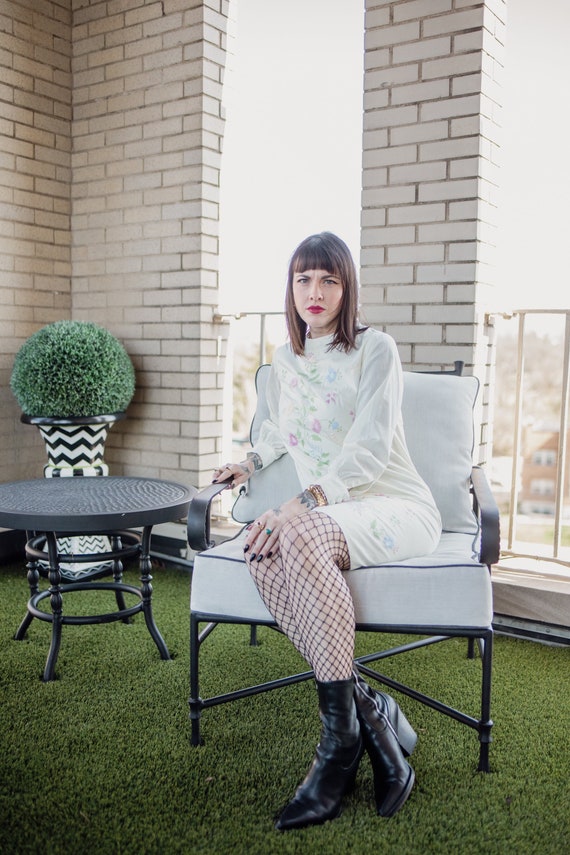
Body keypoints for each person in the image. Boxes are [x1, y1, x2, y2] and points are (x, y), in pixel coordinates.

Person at [212, 232, 442, 830]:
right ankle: (371, 717)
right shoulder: (287, 359)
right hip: (327, 511)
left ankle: (337, 748)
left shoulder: (376, 349)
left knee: (297, 532)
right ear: (290, 288)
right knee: (261, 549)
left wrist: (305, 501)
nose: (315, 292)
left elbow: (368, 449)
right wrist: (250, 463)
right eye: (303, 280)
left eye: (329, 280)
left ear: (347, 288)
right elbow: (281, 432)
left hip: (391, 506)